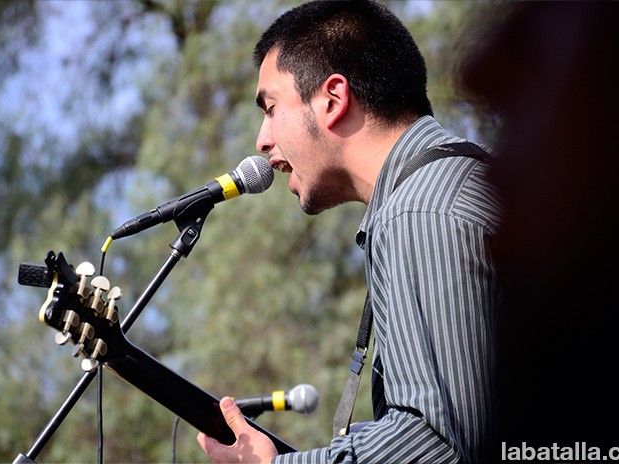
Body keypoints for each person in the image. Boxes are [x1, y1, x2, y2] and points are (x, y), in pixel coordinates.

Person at [197, 1, 502, 462]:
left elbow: (438, 440)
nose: (262, 140)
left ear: (333, 100)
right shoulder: (453, 184)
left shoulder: (417, 211)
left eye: (271, 108)